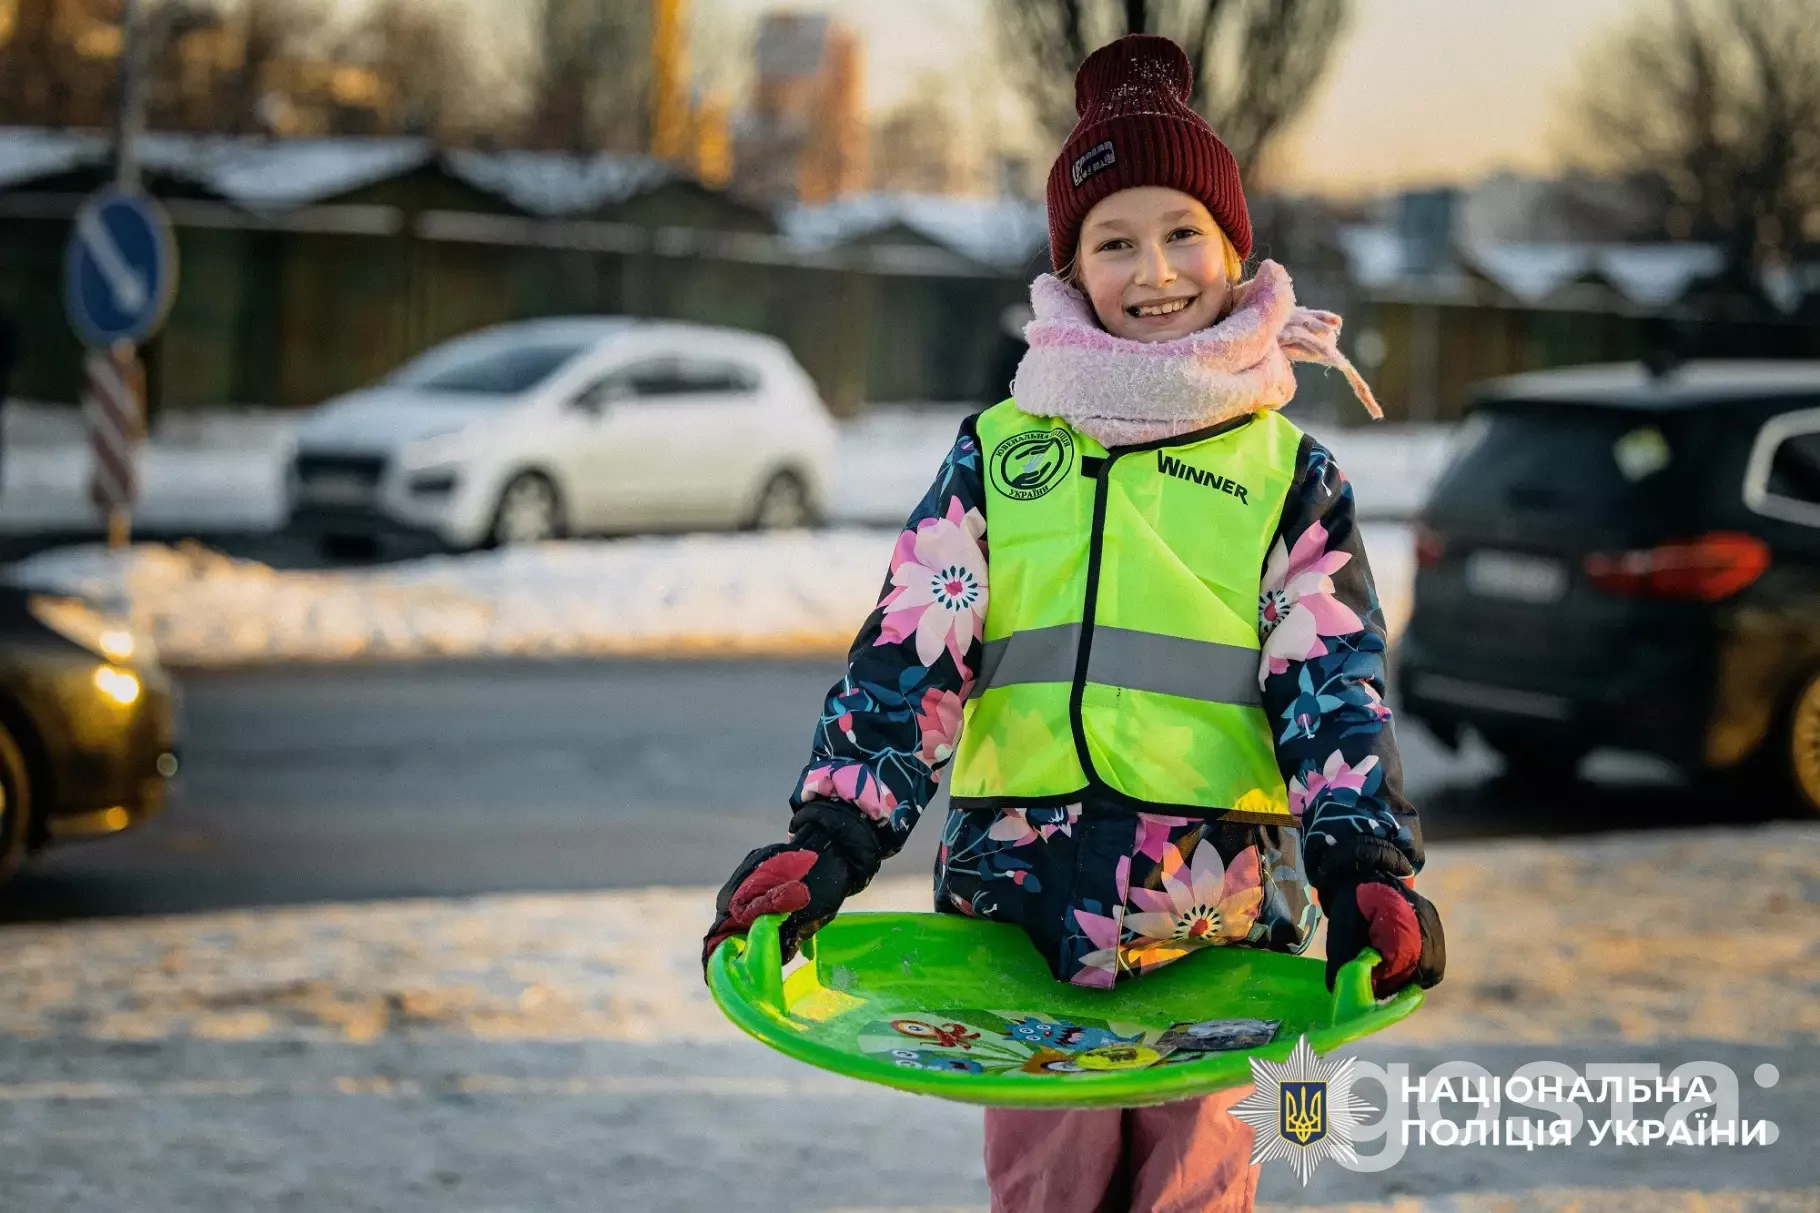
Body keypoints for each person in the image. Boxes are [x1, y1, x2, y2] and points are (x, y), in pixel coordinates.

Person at [705, 34, 1444, 1213]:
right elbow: (910, 661)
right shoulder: (1004, 456)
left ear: (1231, 247)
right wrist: (829, 842)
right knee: (1044, 1195)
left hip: (1219, 921)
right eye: (1113, 240)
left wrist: (1363, 864)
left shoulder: (1284, 471)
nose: (1152, 269)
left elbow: (1328, 688)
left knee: (1194, 1195)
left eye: (1180, 233)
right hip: (1017, 915)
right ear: (1070, 266)